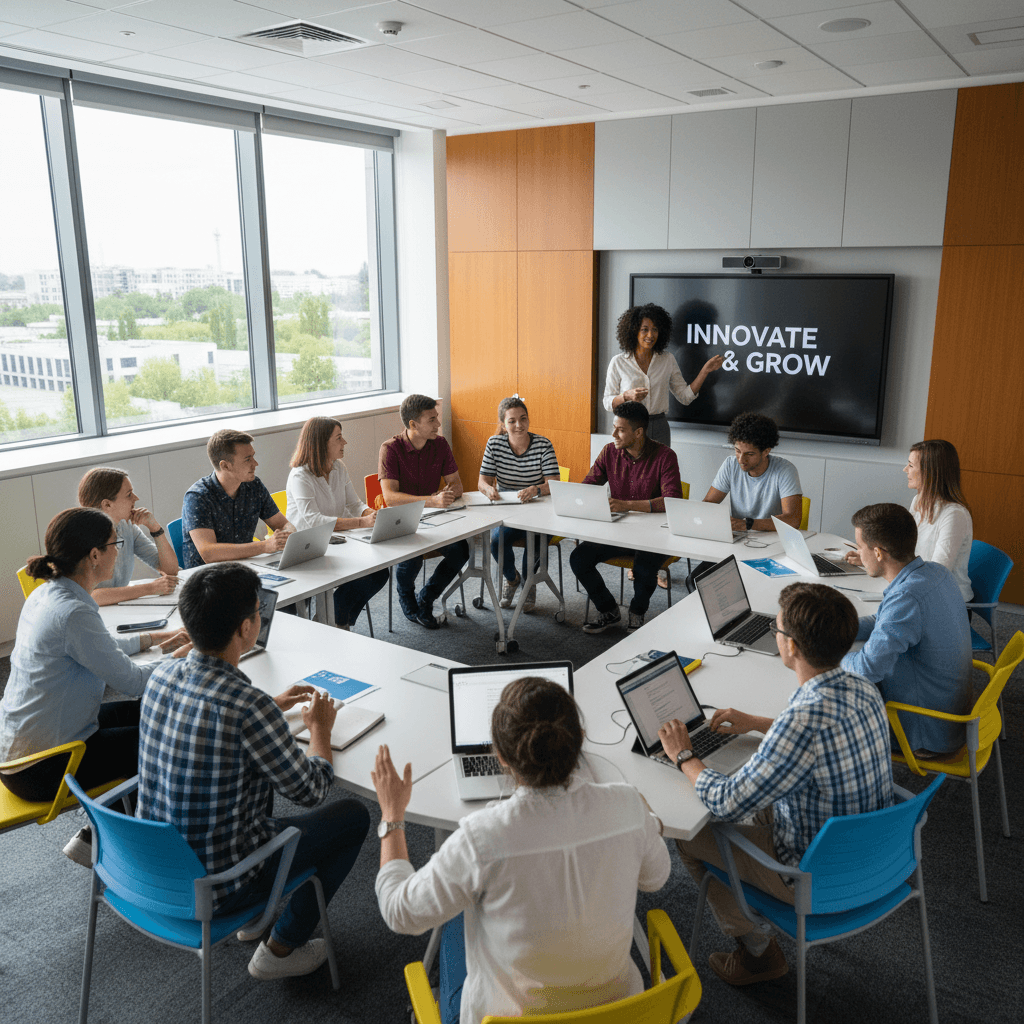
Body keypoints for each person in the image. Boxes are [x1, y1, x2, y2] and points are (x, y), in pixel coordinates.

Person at [372, 676, 670, 1024]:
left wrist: (392, 815)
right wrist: (646, 819)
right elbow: (655, 878)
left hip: (506, 1016)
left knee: (457, 915)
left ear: (500, 756)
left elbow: (399, 911)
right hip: (618, 1013)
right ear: (580, 741)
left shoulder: (482, 838)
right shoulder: (628, 805)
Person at [136, 562, 370, 981]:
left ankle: (255, 916)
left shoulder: (161, 675)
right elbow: (313, 789)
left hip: (154, 868)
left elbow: (215, 720)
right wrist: (320, 728)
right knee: (352, 816)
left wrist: (269, 707)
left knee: (249, 776)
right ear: (247, 628)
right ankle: (280, 948)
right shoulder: (247, 707)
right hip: (216, 885)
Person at [659, 583, 894, 986]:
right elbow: (816, 738)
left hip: (815, 873)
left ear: (792, 648)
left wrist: (684, 756)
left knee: (693, 833)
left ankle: (758, 954)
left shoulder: (802, 720)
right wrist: (757, 724)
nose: (775, 636)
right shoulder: (863, 687)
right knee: (752, 799)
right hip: (875, 853)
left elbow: (726, 801)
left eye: (778, 631)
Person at [0, 508, 189, 865]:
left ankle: (104, 832)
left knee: (153, 711)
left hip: (22, 749)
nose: (119, 551)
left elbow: (96, 648)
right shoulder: (73, 611)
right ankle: (122, 846)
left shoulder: (48, 594)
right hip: (42, 767)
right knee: (161, 739)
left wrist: (157, 640)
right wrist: (186, 658)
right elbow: (133, 681)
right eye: (114, 544)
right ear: (94, 555)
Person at [840, 503, 972, 756]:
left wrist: (829, 656)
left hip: (923, 731)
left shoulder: (907, 597)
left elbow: (868, 670)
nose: (858, 553)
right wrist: (834, 628)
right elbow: (883, 620)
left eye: (859, 547)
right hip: (948, 715)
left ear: (878, 553)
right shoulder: (935, 573)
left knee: (828, 715)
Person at [569, 401, 683, 634]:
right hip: (618, 531)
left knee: (643, 568)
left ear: (639, 432)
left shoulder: (665, 456)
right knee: (579, 558)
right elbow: (589, 486)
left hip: (655, 535)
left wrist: (627, 505)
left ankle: (637, 612)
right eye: (614, 427)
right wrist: (579, 508)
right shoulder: (609, 452)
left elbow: (672, 501)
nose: (613, 434)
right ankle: (609, 610)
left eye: (620, 429)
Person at [285, 416, 389, 629]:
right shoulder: (300, 476)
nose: (345, 443)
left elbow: (354, 503)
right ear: (321, 444)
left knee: (378, 573)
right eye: (339, 438)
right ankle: (336, 623)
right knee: (363, 575)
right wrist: (362, 522)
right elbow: (314, 521)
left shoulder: (338, 467)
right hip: (306, 550)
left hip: (337, 544)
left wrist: (372, 514)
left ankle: (334, 622)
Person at [686, 412, 803, 591]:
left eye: (749, 454)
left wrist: (747, 524)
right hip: (738, 543)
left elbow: (793, 519)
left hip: (772, 547)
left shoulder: (785, 470)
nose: (741, 459)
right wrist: (698, 517)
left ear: (766, 451)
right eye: (737, 450)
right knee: (695, 581)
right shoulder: (730, 464)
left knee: (748, 588)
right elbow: (709, 502)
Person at [379, 394, 469, 629]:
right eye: (432, 420)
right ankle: (407, 598)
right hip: (401, 522)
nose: (438, 424)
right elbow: (390, 498)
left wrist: (449, 494)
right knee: (413, 556)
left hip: (434, 520)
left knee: (461, 551)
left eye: (436, 417)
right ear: (413, 425)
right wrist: (432, 500)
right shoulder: (390, 449)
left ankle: (426, 597)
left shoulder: (440, 444)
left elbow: (457, 484)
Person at [845, 439, 973, 603]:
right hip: (917, 588)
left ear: (930, 472)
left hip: (945, 603)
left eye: (911, 466)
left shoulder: (955, 515)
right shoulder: (918, 501)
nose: (905, 469)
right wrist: (871, 559)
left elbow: (936, 575)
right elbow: (904, 552)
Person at [477, 396, 561, 613]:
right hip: (509, 509)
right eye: (512, 421)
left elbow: (554, 483)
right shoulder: (494, 444)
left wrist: (536, 489)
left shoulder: (543, 444)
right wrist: (488, 489)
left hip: (540, 508)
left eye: (523, 419)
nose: (519, 425)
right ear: (503, 424)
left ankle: (528, 585)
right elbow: (482, 481)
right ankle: (513, 579)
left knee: (535, 539)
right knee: (496, 541)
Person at [603, 302, 724, 446]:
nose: (650, 335)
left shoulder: (667, 359)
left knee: (660, 469)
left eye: (655, 329)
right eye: (645, 329)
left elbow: (685, 397)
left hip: (659, 427)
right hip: (629, 427)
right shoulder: (618, 362)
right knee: (631, 469)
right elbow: (607, 402)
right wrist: (626, 396)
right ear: (634, 331)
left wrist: (705, 371)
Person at [181, 428, 295, 570]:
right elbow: (208, 553)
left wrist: (288, 534)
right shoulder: (198, 497)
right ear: (225, 466)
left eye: (253, 456)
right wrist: (265, 546)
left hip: (244, 568)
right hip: (207, 579)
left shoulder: (254, 485)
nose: (255, 463)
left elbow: (282, 524)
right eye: (248, 459)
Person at [77, 466, 180, 606]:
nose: (136, 498)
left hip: (118, 610)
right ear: (107, 504)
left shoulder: (127, 527)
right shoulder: (81, 536)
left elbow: (170, 570)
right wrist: (150, 588)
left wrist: (155, 528)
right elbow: (91, 596)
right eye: (129, 494)